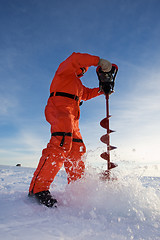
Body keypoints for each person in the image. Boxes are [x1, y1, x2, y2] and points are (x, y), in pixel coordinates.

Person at [28, 52, 112, 207]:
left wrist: (102, 89)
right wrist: (98, 61)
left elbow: (86, 94)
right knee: (61, 143)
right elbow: (75, 58)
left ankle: (77, 188)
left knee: (77, 149)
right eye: (83, 68)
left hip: (73, 116)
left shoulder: (78, 85)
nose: (84, 71)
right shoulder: (64, 71)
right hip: (60, 108)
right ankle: (38, 189)